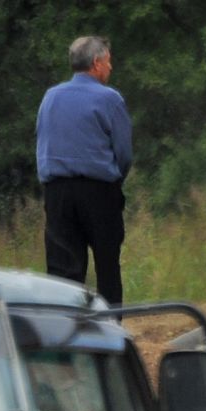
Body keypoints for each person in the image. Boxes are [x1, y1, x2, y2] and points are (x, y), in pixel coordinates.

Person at [36, 35, 132, 304]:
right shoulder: (110, 99)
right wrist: (114, 182)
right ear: (97, 63)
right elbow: (124, 153)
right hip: (98, 190)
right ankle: (111, 333)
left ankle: (65, 332)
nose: (111, 68)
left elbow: (42, 142)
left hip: (57, 192)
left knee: (63, 269)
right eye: (109, 62)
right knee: (107, 265)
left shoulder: (50, 97)